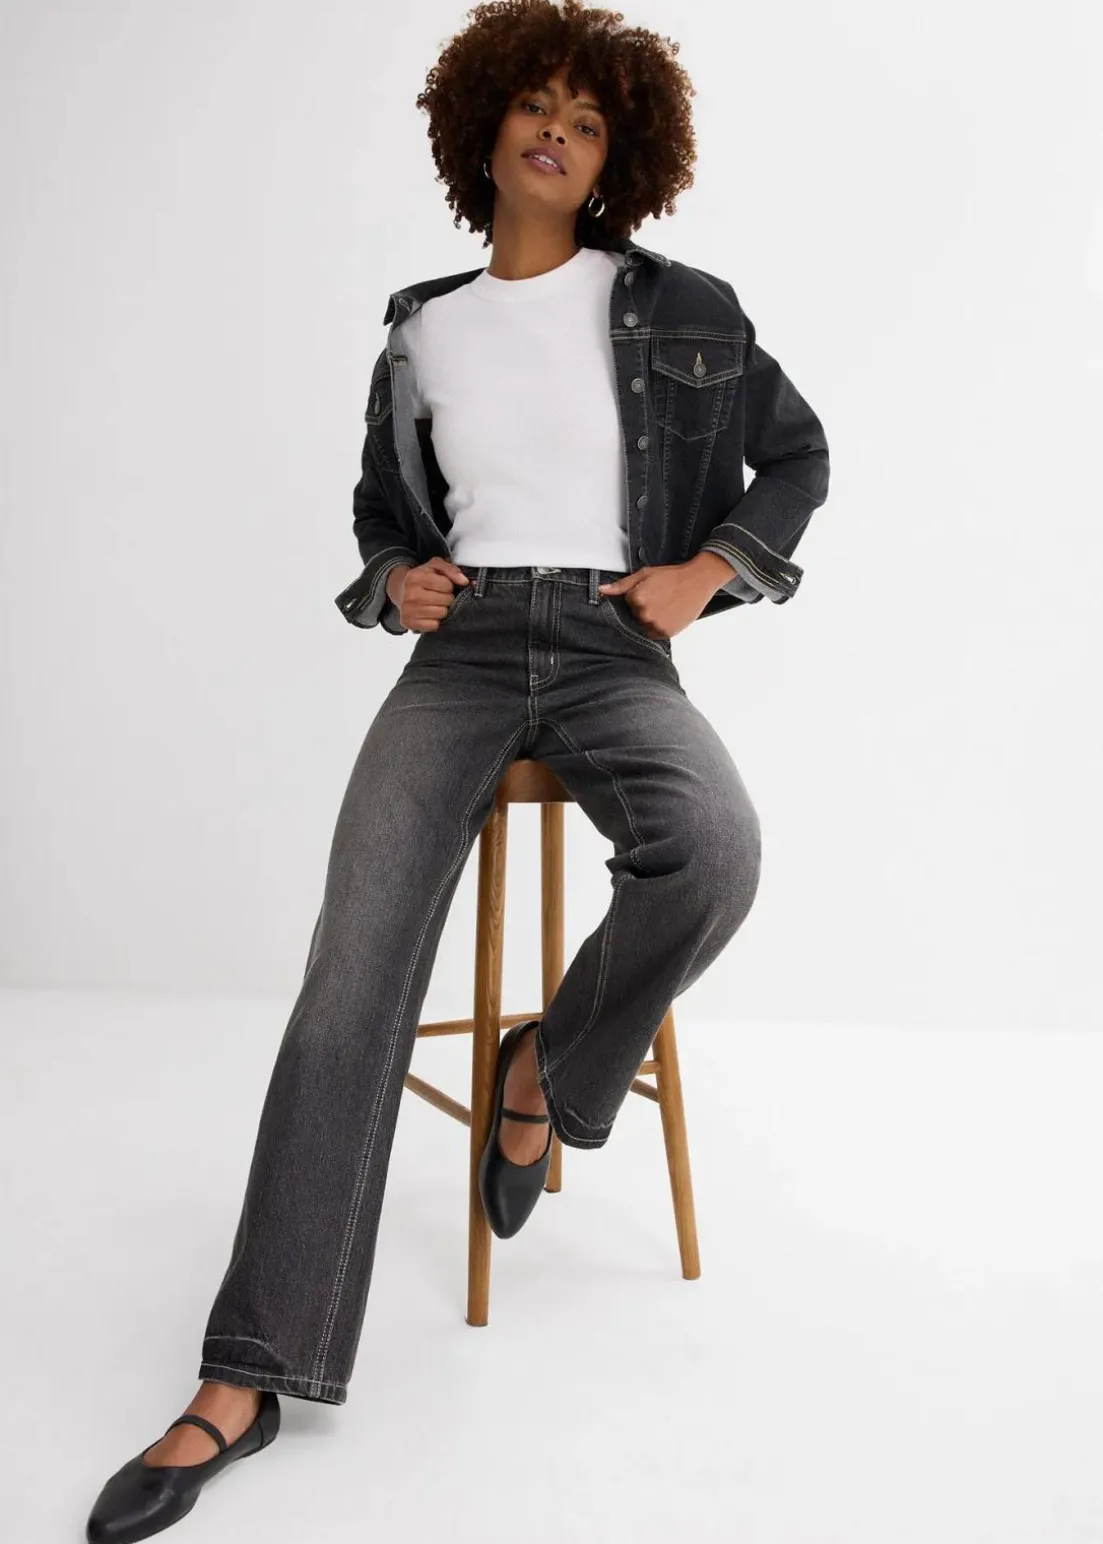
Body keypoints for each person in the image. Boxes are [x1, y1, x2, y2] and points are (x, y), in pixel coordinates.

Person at [85, 1, 829, 1538]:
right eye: (534, 105)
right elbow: (384, 507)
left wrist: (706, 572)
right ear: (482, 129)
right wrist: (394, 581)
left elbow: (798, 455)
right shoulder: (421, 327)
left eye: (589, 120)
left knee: (714, 847)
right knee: (349, 977)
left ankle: (542, 1071)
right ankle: (244, 1376)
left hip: (616, 643)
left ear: (618, 159)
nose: (557, 130)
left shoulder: (680, 305)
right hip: (466, 653)